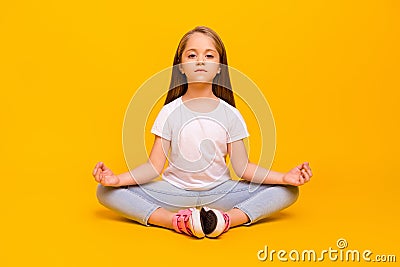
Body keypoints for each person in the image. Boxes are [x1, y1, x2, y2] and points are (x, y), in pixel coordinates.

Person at [93, 26, 312, 238]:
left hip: (221, 192)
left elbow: (243, 168)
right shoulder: (169, 112)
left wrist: (284, 177)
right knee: (105, 192)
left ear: (219, 68)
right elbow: (153, 167)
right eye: (191, 55)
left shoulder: (231, 114)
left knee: (288, 191)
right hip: (174, 192)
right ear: (180, 66)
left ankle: (224, 220)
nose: (200, 61)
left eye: (209, 55)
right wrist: (116, 180)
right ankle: (176, 221)